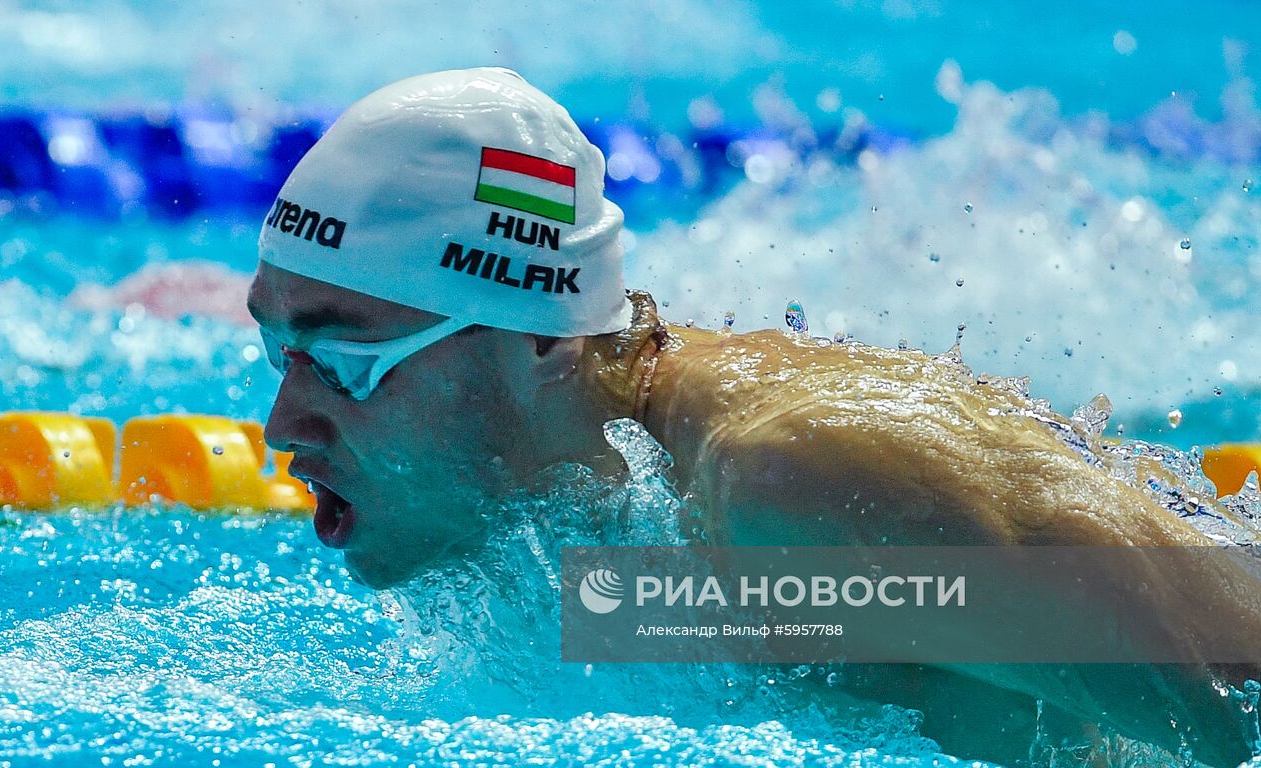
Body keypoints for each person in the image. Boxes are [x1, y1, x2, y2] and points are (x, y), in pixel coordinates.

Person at [246, 67, 1260, 766]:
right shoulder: (589, 527)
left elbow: (1234, 705)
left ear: (543, 340)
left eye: (344, 358)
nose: (284, 423)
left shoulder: (794, 493)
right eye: (277, 352)